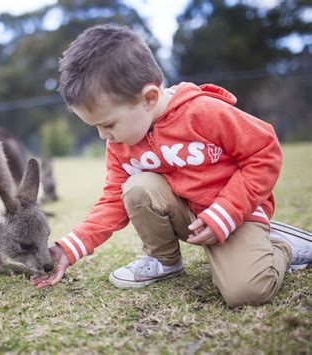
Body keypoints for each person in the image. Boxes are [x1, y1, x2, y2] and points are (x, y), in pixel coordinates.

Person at [30, 24, 311, 307]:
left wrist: (226, 213)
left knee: (246, 293)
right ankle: (164, 261)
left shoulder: (204, 112)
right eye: (96, 128)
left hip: (234, 213)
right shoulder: (121, 143)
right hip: (187, 216)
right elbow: (113, 198)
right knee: (137, 187)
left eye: (108, 124)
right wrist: (69, 248)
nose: (103, 136)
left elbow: (264, 152)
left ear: (149, 98)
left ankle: (281, 244)